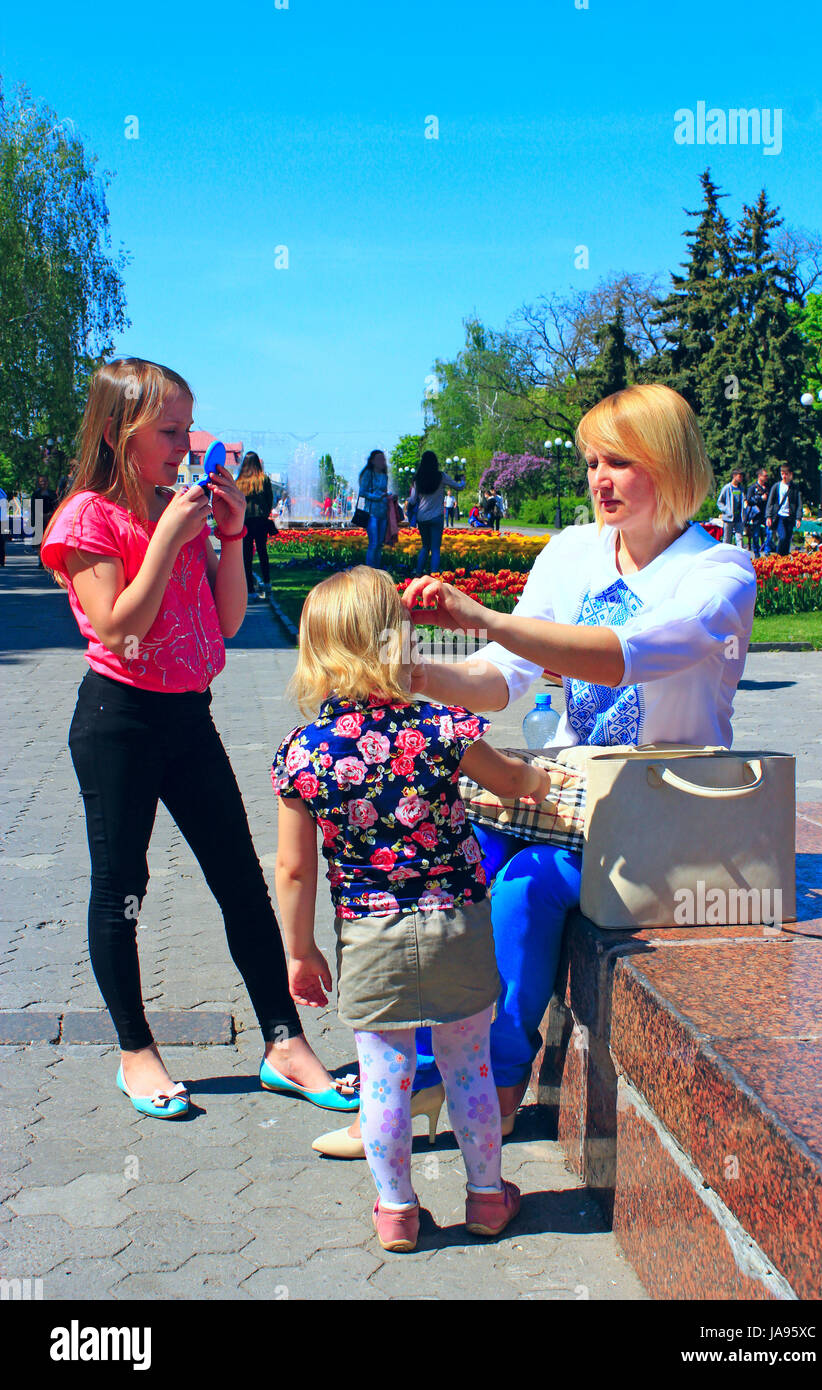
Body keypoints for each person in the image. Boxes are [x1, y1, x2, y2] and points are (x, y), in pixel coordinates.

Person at [312, 382, 756, 1152]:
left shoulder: (719, 574)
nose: (598, 478)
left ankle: (498, 1083)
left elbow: (626, 658)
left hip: (666, 817)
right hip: (568, 804)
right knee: (453, 864)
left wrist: (486, 616)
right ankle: (420, 1081)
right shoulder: (573, 552)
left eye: (620, 460)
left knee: (525, 886)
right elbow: (499, 678)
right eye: (591, 461)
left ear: (671, 463)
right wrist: (409, 675)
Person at [40, 357, 358, 1120]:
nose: (186, 445)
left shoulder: (176, 506)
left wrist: (231, 533)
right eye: (170, 430)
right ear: (119, 433)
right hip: (119, 720)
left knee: (239, 879)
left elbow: (224, 621)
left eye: (189, 427)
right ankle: (136, 1050)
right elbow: (119, 628)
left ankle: (284, 1043)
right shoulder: (88, 517)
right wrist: (165, 540)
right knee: (123, 890)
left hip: (189, 714)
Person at [271, 567, 552, 1249]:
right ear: (397, 644)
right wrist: (541, 779)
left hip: (370, 936)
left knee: (384, 1075)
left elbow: (294, 868)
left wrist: (300, 951)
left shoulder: (304, 755)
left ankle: (396, 1210)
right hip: (457, 923)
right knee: (469, 1067)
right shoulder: (442, 728)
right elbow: (513, 783)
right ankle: (488, 1198)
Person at [408, 451, 464, 575]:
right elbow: (458, 487)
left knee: (425, 546)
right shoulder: (441, 476)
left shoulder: (418, 479)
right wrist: (463, 481)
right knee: (435, 548)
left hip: (422, 517)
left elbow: (412, 499)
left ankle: (418, 573)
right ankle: (434, 575)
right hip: (437, 516)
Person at [236, 452, 273, 601]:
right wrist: (264, 513)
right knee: (263, 552)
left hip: (244, 521)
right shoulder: (263, 479)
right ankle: (267, 584)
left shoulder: (239, 482)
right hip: (261, 521)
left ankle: (250, 590)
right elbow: (269, 499)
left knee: (246, 556)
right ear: (258, 463)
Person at [357, 449, 390, 567]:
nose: (383, 461)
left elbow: (384, 492)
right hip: (372, 513)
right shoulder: (368, 474)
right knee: (374, 543)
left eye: (383, 459)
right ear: (373, 461)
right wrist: (377, 497)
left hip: (383, 513)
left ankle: (377, 569)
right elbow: (362, 492)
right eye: (380, 459)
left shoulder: (384, 476)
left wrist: (389, 496)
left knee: (380, 543)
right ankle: (370, 569)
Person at [766, 465, 802, 556]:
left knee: (787, 539)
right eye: (782, 474)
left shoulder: (794, 487)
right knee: (782, 537)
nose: (784, 476)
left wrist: (798, 518)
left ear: (791, 475)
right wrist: (768, 516)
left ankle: (784, 558)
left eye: (786, 474)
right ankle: (778, 556)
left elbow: (799, 503)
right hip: (779, 516)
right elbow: (770, 502)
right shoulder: (777, 486)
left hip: (790, 516)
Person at [717, 469, 746, 547]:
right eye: (739, 476)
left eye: (742, 476)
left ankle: (740, 555)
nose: (741, 478)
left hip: (739, 517)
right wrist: (726, 510)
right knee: (727, 538)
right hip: (728, 518)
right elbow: (719, 502)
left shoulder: (741, 488)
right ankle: (725, 555)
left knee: (739, 537)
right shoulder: (727, 488)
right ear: (734, 476)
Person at [745, 468, 770, 555]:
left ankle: (767, 551)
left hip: (766, 514)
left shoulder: (767, 488)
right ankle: (756, 553)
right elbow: (749, 500)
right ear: (759, 476)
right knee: (755, 534)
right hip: (756, 514)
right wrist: (760, 498)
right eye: (765, 476)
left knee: (769, 532)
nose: (767, 477)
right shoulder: (752, 488)